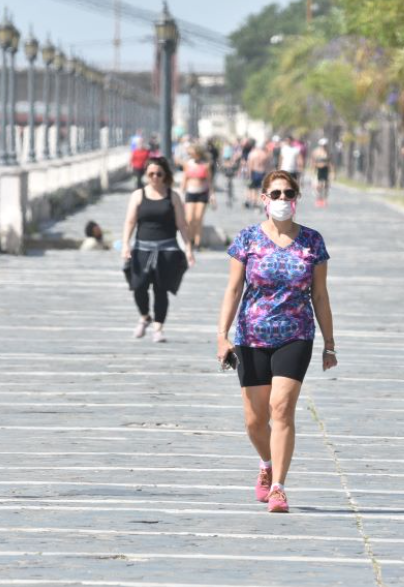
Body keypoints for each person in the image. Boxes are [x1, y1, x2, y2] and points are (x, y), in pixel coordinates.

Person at [216, 170, 336, 513]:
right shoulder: (247, 239)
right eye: (276, 194)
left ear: (296, 199)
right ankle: (266, 464)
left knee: (281, 408)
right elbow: (233, 289)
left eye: (289, 194)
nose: (283, 200)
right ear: (263, 198)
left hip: (295, 334)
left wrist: (329, 343)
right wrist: (221, 336)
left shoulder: (312, 242)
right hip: (251, 336)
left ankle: (280, 487)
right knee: (254, 420)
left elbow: (321, 295)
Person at [121, 157, 195, 344]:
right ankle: (145, 316)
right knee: (139, 286)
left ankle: (158, 328)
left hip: (167, 248)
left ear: (165, 175)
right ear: (146, 175)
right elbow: (130, 221)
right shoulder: (138, 195)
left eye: (159, 174)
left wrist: (188, 248)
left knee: (161, 290)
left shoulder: (173, 196)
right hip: (142, 247)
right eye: (151, 174)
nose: (155, 177)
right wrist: (125, 244)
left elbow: (182, 225)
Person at [183, 145, 216, 251]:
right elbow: (185, 179)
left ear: (198, 153)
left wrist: (212, 195)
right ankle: (190, 240)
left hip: (202, 193)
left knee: (198, 218)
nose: (191, 155)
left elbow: (209, 181)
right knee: (189, 219)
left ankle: (197, 243)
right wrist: (180, 193)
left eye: (193, 153)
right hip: (190, 192)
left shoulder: (206, 165)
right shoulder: (188, 164)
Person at [246, 142, 271, 210]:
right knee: (261, 189)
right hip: (262, 172)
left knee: (254, 189)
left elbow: (250, 165)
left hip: (255, 172)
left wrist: (249, 175)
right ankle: (260, 202)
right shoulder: (265, 154)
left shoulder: (253, 154)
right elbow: (268, 166)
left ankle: (255, 202)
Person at [311, 138, 333, 207]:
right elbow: (313, 161)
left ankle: (324, 199)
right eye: (322, 145)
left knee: (326, 185)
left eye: (325, 145)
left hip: (326, 170)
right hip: (318, 170)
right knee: (318, 185)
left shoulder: (328, 152)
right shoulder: (316, 152)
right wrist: (313, 170)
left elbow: (331, 162)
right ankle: (319, 198)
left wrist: (333, 172)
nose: (323, 146)